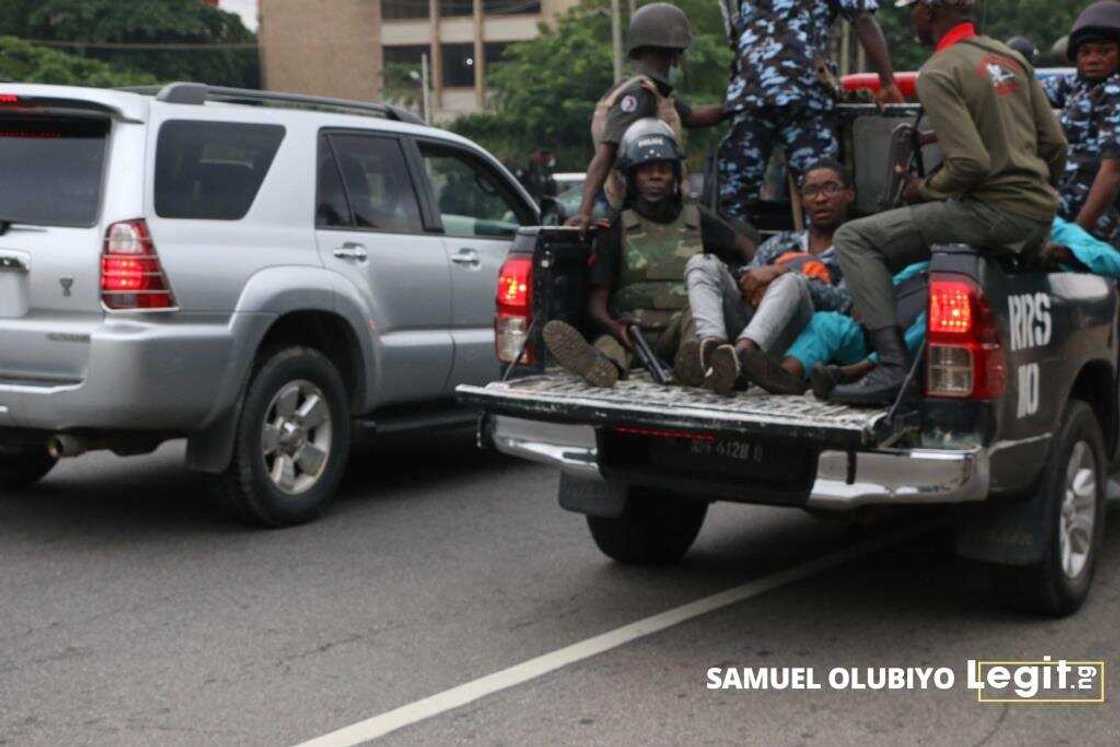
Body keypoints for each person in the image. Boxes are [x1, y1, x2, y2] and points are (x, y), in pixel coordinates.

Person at [828, 0, 1067, 406]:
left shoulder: (939, 71)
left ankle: (890, 366)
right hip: (1035, 216)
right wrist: (1036, 205)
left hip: (991, 212)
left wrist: (924, 190)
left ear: (929, 11)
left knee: (854, 239)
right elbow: (1055, 145)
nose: (911, 18)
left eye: (914, 9)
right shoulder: (1009, 59)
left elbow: (969, 164)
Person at [543, 119, 752, 388]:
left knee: (695, 321)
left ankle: (695, 362)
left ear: (675, 176)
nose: (655, 176)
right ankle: (602, 366)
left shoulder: (697, 217)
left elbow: (745, 248)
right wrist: (616, 327)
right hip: (631, 335)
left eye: (663, 169)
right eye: (646, 170)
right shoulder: (615, 227)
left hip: (680, 334)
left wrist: (753, 276)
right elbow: (596, 305)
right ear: (631, 177)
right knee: (608, 346)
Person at [719, 0, 904, 224]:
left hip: (751, 95)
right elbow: (862, 17)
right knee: (822, 195)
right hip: (803, 96)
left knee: (736, 200)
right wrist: (887, 83)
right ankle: (819, 256)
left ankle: (736, 254)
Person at [686, 159, 856, 395]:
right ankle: (714, 350)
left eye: (831, 188)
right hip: (753, 322)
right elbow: (748, 277)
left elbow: (845, 304)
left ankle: (743, 354)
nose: (820, 198)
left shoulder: (856, 251)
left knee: (791, 282)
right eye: (811, 191)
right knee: (701, 263)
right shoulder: (781, 242)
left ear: (849, 194)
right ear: (803, 199)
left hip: (798, 344)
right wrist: (754, 281)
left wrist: (782, 272)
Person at [573, 3, 729, 234]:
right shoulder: (639, 95)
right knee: (737, 239)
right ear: (673, 56)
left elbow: (694, 117)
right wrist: (584, 212)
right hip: (643, 208)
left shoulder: (654, 93)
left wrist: (737, 106)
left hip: (654, 206)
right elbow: (605, 155)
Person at [1043, 1, 1120, 245]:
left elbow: (1113, 173)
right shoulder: (1079, 85)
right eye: (1085, 52)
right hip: (1063, 212)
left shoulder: (1115, 91)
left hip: (1099, 227)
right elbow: (1021, 90)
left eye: (1104, 51)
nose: (1093, 59)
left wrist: (1075, 237)